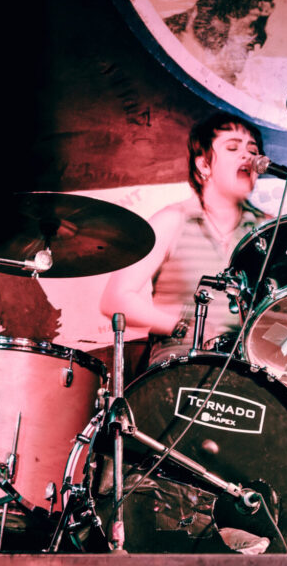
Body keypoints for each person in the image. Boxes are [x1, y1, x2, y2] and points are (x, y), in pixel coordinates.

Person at [100, 111, 267, 377]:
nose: (248, 156)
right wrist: (183, 327)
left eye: (253, 150)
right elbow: (115, 299)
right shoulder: (172, 220)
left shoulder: (267, 229)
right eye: (233, 147)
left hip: (251, 366)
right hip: (180, 363)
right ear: (204, 165)